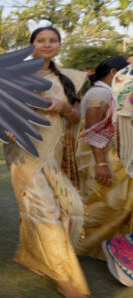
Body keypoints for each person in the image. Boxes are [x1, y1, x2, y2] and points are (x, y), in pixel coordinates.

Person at [3, 26, 89, 297]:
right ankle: (65, 277)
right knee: (45, 210)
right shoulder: (16, 77)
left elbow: (76, 116)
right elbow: (1, 110)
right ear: (31, 45)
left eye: (53, 40)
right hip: (24, 150)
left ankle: (28, 254)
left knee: (70, 206)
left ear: (60, 45)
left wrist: (62, 107)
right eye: (41, 40)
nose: (48, 44)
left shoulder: (69, 78)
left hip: (54, 153)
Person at [76, 56, 133, 258]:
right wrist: (101, 163)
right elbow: (92, 130)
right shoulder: (101, 92)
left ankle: (101, 247)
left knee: (110, 202)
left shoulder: (104, 91)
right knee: (104, 202)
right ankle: (82, 246)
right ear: (113, 73)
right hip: (97, 156)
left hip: (103, 155)